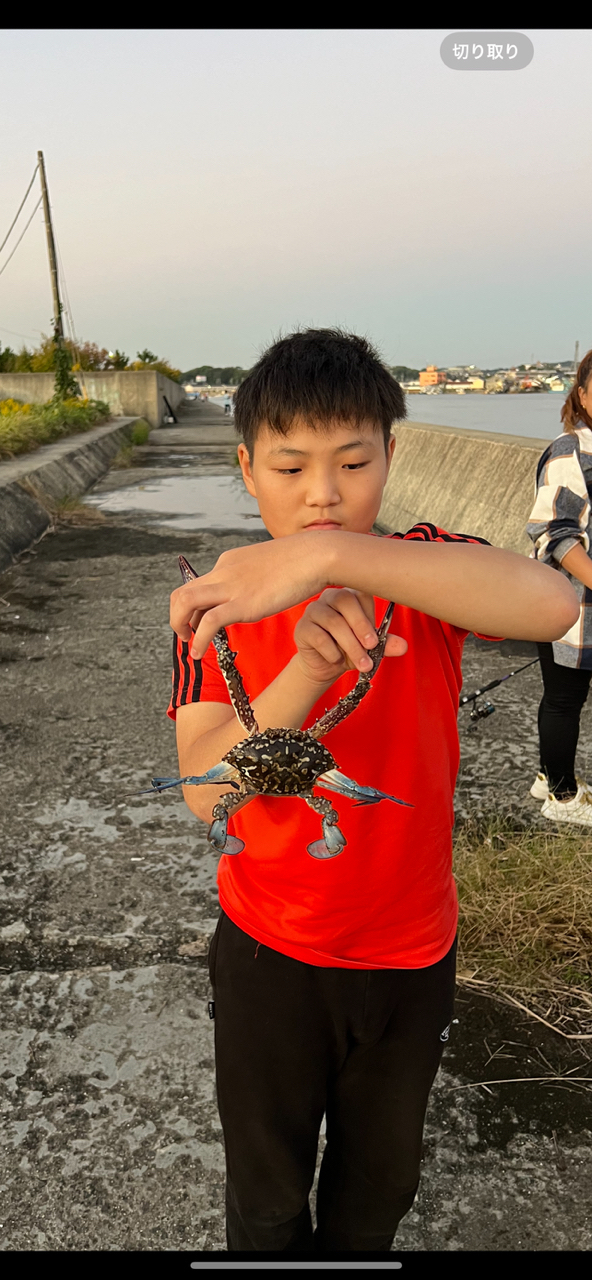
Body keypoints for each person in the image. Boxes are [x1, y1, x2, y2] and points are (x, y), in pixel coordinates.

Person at [166, 329, 576, 1254]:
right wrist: (308, 668)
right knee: (267, 1199)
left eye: (354, 461)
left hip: (411, 955)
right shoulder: (217, 606)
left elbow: (553, 603)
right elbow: (204, 789)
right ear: (246, 469)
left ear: (393, 455)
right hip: (271, 956)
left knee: (379, 1187)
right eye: (292, 466)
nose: (324, 492)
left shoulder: (423, 571)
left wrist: (334, 561)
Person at [527, 348, 592, 824]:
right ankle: (563, 797)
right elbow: (554, 532)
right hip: (569, 605)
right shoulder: (570, 453)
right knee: (564, 699)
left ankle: (549, 774)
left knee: (561, 699)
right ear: (583, 395)